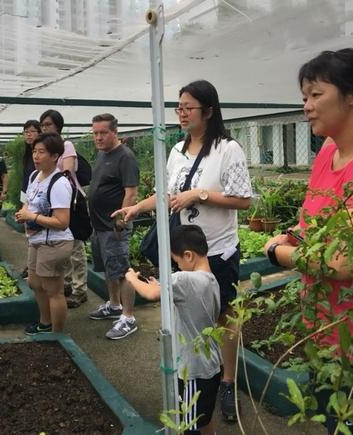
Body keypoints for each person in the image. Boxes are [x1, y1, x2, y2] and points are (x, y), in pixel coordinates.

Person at [113, 80, 252, 422]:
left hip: (216, 252)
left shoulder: (227, 149)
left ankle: (227, 381)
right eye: (179, 107)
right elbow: (165, 194)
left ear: (209, 110)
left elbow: (243, 200)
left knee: (224, 317)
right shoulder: (176, 152)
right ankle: (197, 379)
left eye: (188, 107)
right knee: (189, 320)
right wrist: (136, 209)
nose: (182, 113)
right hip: (183, 254)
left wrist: (199, 195)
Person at [263, 49, 353, 434]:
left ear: (350, 95)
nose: (307, 106)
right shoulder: (327, 153)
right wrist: (290, 236)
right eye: (304, 97)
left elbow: (341, 264)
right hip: (323, 332)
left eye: (316, 94)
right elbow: (308, 225)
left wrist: (275, 251)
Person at [125, 225, 221, 435]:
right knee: (203, 417)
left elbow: (150, 294)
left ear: (188, 255)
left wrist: (132, 278)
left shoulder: (184, 280)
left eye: (176, 261)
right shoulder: (210, 280)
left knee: (189, 424)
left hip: (192, 369)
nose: (176, 266)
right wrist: (162, 286)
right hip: (211, 364)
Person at [86, 114, 141, 340]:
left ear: (114, 132)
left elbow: (131, 192)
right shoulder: (102, 154)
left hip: (114, 227)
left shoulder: (125, 157)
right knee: (110, 269)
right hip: (99, 226)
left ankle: (128, 318)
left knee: (122, 271)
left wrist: (121, 221)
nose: (98, 137)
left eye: (103, 133)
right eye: (95, 133)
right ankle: (114, 305)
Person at [14, 133, 74, 334]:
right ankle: (45, 322)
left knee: (53, 290)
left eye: (41, 152)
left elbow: (62, 222)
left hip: (55, 242)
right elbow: (29, 202)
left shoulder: (59, 183)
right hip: (36, 239)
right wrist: (23, 213)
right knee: (35, 283)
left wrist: (32, 216)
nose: (36, 156)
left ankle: (57, 334)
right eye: (34, 151)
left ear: (55, 156)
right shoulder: (34, 176)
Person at [39, 109, 89, 308]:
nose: (45, 128)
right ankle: (67, 283)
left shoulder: (66, 145)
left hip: (71, 204)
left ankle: (80, 290)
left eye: (48, 125)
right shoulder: (44, 147)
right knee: (62, 246)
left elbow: (66, 172)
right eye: (42, 125)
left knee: (76, 248)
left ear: (58, 126)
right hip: (55, 203)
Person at [20, 120, 42, 203]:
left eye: (32, 131)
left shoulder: (44, 154)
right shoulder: (27, 154)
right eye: (26, 132)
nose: (28, 134)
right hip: (27, 193)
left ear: (40, 133)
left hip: (38, 196)